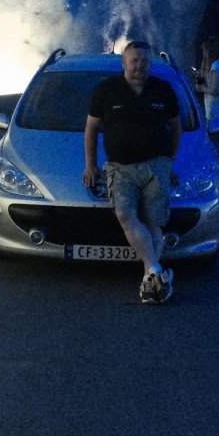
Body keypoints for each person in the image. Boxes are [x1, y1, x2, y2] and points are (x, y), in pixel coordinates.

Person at [83, 40, 182, 305]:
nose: (140, 65)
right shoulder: (106, 90)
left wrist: (169, 162)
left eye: (145, 61)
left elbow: (176, 127)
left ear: (150, 64)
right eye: (135, 60)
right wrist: (90, 165)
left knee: (154, 221)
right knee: (124, 213)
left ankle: (149, 279)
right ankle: (157, 270)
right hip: (120, 168)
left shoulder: (163, 89)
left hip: (156, 165)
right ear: (124, 63)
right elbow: (91, 129)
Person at [193, 36, 219, 180]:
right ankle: (218, 179)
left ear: (210, 50)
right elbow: (206, 80)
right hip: (218, 112)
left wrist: (202, 88)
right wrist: (201, 71)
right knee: (215, 145)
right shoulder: (217, 64)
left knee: (217, 148)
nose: (203, 53)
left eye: (204, 51)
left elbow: (217, 90)